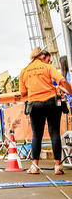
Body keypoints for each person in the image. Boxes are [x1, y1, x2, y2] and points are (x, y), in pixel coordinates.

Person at [18, 46, 72, 175]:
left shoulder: (24, 71)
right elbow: (62, 80)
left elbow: (22, 92)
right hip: (51, 102)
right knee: (54, 133)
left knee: (37, 135)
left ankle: (35, 166)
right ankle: (57, 166)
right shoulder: (47, 67)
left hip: (34, 104)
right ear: (41, 56)